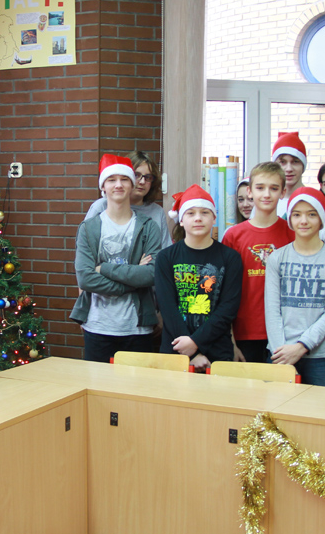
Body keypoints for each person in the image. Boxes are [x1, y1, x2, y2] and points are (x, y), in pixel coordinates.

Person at [72, 154, 161, 363]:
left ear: (132, 185)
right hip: (98, 327)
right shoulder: (88, 228)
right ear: (103, 187)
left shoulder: (148, 227)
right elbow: (85, 279)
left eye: (124, 179)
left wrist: (103, 269)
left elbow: (151, 274)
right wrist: (133, 279)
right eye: (112, 180)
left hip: (138, 328)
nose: (118, 185)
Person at [264, 187, 325, 386]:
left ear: (321, 218)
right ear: (290, 219)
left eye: (311, 214)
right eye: (297, 214)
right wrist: (282, 351)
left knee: (320, 406)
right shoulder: (277, 258)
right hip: (280, 352)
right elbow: (272, 309)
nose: (303, 221)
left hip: (320, 356)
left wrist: (302, 346)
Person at [154, 185, 242, 373]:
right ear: (181, 220)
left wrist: (196, 342)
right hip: (176, 350)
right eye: (191, 213)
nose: (198, 218)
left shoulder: (230, 258)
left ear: (214, 218)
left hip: (217, 352)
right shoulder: (165, 258)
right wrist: (192, 353)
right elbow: (167, 307)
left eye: (205, 212)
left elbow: (228, 308)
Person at [221, 162, 294, 363]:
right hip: (244, 332)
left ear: (283, 192)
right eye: (260, 188)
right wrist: (230, 341)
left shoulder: (293, 234)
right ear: (250, 191)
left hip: (284, 333)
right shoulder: (233, 236)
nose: (266, 194)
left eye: (274, 188)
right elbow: (224, 291)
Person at [84, 150, 172, 247]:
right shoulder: (100, 207)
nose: (142, 181)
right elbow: (86, 247)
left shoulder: (157, 212)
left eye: (148, 177)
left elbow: (165, 250)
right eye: (136, 175)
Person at [271, 131, 307, 210]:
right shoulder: (267, 202)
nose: (289, 169)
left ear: (303, 165)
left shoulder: (312, 199)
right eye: (282, 162)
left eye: (295, 162)